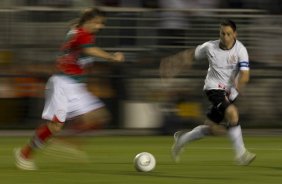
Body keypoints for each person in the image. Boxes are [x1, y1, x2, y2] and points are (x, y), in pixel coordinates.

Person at [14, 7, 125, 170]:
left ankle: (66, 143)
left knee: (98, 116)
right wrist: (112, 57)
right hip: (62, 83)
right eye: (98, 23)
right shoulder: (82, 35)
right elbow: (89, 50)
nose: (101, 27)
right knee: (55, 126)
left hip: (75, 85)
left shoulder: (78, 31)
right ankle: (24, 154)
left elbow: (80, 42)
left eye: (102, 23)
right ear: (88, 21)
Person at [160, 19, 256, 166]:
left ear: (235, 34)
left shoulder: (241, 50)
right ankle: (241, 154)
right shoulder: (209, 46)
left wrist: (235, 91)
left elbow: (245, 75)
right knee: (233, 113)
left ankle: (182, 140)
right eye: (222, 33)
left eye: (228, 34)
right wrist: (173, 63)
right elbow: (190, 55)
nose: (225, 37)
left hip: (230, 92)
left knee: (209, 128)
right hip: (213, 88)